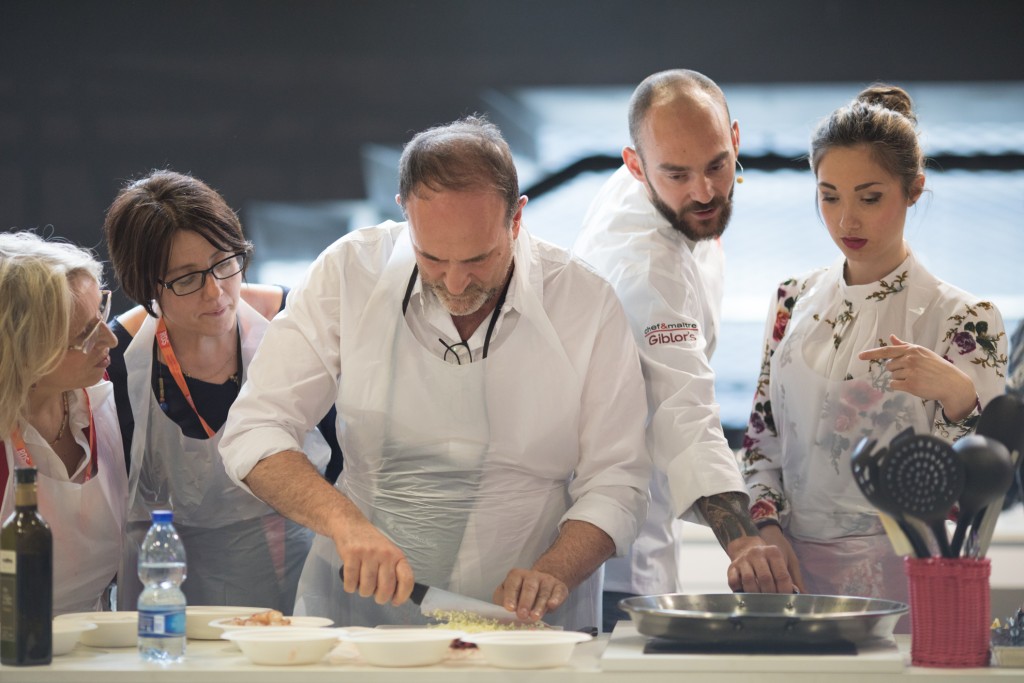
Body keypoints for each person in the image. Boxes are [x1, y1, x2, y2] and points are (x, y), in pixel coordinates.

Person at [220, 116, 651, 630]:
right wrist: (344, 523)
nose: (455, 280)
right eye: (432, 257)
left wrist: (553, 571)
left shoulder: (584, 301)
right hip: (363, 618)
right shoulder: (350, 271)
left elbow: (618, 477)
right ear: (404, 212)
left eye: (478, 259)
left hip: (524, 625)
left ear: (517, 218)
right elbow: (255, 429)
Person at [740, 85, 1008, 607]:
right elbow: (761, 439)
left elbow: (982, 489)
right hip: (787, 571)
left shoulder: (966, 320)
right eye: (829, 195)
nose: (846, 221)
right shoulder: (791, 301)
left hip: (905, 574)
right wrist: (767, 532)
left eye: (869, 197)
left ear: (913, 190)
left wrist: (957, 398)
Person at [573, 69, 796, 630]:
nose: (703, 192)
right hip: (612, 553)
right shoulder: (647, 266)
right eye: (677, 174)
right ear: (635, 166)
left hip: (638, 524)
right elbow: (683, 409)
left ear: (736, 140)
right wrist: (743, 542)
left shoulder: (679, 206)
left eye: (717, 165)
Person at [103, 170, 333, 612]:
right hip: (170, 587)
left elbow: (342, 454)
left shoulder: (289, 319)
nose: (216, 292)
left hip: (298, 570)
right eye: (186, 279)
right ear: (146, 285)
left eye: (224, 263)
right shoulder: (122, 356)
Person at [0, 230, 127, 615]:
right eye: (87, 334)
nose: (110, 339)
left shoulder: (104, 401)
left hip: (94, 652)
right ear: (26, 353)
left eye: (101, 313)